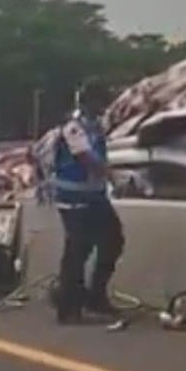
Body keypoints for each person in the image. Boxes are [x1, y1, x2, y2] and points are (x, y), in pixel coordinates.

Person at [50, 80, 125, 325]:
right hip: (73, 198)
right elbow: (86, 158)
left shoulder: (96, 126)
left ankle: (96, 296)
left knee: (113, 240)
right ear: (89, 101)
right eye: (101, 101)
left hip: (95, 196)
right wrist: (114, 177)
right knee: (77, 250)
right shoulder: (73, 127)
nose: (104, 107)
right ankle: (68, 306)